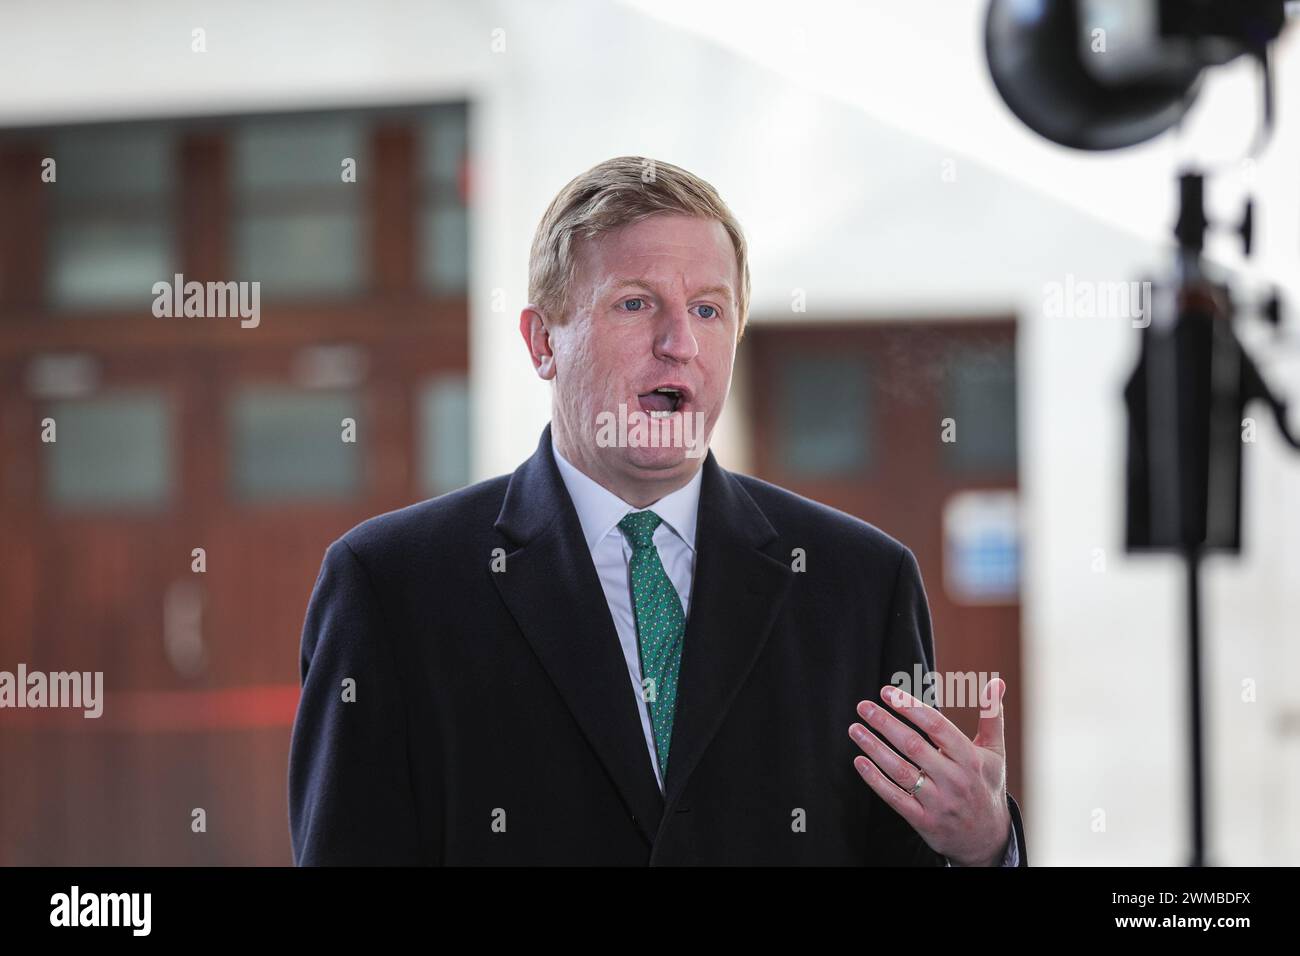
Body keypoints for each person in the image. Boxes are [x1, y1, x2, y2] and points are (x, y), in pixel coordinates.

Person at [289, 156, 1027, 866]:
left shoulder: (863, 583)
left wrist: (985, 846)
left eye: (709, 310)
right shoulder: (389, 586)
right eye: (636, 303)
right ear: (542, 341)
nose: (679, 343)